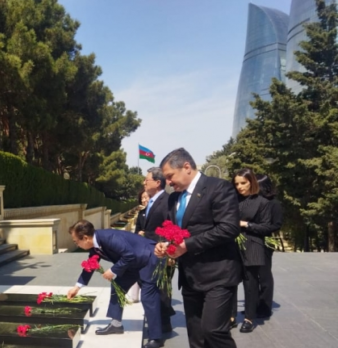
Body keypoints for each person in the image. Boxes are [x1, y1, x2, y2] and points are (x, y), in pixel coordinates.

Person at [155, 148, 241, 348]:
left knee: (214, 331)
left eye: (170, 176)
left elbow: (229, 228)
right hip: (190, 276)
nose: (167, 182)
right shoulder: (173, 198)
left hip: (218, 274)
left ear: (186, 167)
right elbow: (170, 228)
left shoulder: (218, 188)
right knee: (196, 336)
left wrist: (187, 245)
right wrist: (164, 244)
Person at [67, 220, 165, 348]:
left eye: (76, 241)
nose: (77, 244)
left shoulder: (109, 237)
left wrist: (112, 270)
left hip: (148, 258)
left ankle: (156, 338)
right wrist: (77, 287)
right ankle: (116, 324)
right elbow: (90, 265)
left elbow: (129, 255)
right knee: (117, 285)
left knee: (148, 297)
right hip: (133, 263)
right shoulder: (95, 245)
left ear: (85, 238)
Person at [229, 168, 272, 332]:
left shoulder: (262, 202)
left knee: (251, 284)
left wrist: (245, 224)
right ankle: (231, 316)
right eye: (237, 184)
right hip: (232, 246)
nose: (240, 187)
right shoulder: (232, 200)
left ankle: (249, 318)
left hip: (253, 245)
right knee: (230, 282)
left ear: (251, 182)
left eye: (243, 183)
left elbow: (266, 227)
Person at [137, 167, 176, 333]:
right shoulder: (151, 201)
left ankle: (163, 324)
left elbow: (172, 227)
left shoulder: (168, 201)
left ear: (158, 182)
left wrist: (147, 235)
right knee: (152, 288)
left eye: (147, 179)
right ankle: (159, 321)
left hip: (162, 252)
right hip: (148, 254)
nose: (144, 182)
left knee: (161, 290)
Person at [255, 174, 282, 318]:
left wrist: (260, 228)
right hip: (251, 240)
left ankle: (264, 307)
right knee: (253, 277)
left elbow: (277, 224)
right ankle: (253, 305)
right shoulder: (253, 201)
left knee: (264, 275)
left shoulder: (274, 203)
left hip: (265, 242)